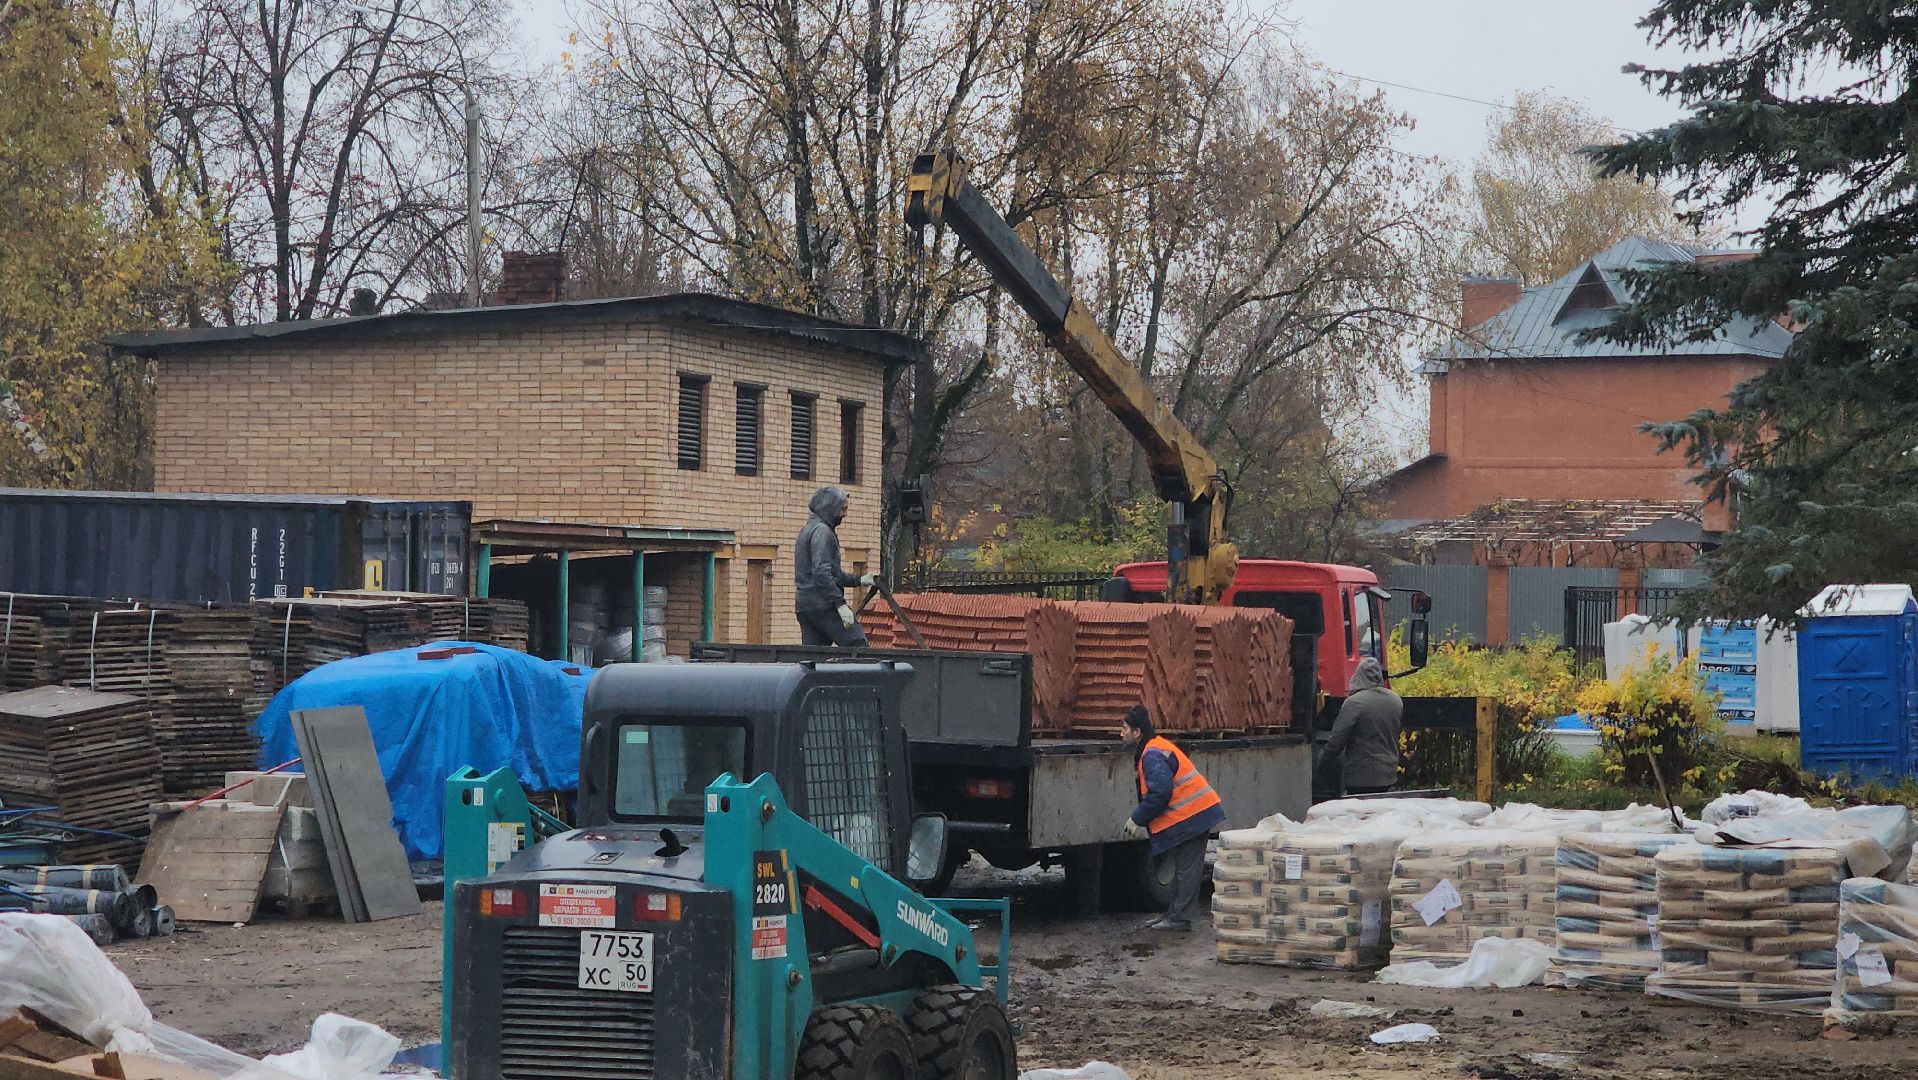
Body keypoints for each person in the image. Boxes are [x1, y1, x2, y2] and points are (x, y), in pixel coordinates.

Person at [1120, 704, 1225, 931]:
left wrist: (1136, 818)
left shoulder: (1151, 755)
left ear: (1137, 732)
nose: (1121, 733)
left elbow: (1160, 792)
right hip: (1193, 814)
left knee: (1187, 869)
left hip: (1194, 815)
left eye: (1124, 728)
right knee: (1182, 868)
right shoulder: (1153, 749)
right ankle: (1173, 914)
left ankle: (1179, 919)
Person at [794, 485, 875, 646]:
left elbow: (832, 574)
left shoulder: (808, 530)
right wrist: (840, 604)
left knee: (814, 661)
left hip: (805, 607)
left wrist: (860, 580)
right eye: (843, 509)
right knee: (858, 647)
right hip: (824, 605)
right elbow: (822, 574)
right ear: (830, 508)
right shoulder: (822, 532)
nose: (845, 514)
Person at [1324, 656, 1403, 796]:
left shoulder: (1355, 703)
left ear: (1358, 676)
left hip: (1360, 775)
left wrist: (1323, 761)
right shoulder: (1396, 701)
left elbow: (1337, 739)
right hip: (1388, 773)